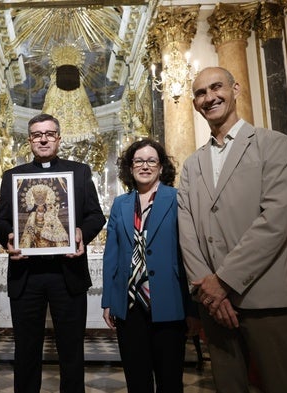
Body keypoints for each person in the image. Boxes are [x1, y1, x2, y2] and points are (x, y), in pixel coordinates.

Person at [178, 66, 287, 393]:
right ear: (194, 104)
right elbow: (187, 231)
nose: (209, 98)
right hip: (213, 303)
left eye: (216, 87)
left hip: (266, 297)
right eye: (200, 93)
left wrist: (223, 280)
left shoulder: (272, 144)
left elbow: (276, 220)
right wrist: (206, 289)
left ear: (236, 89)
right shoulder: (192, 164)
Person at [0, 113, 106, 393]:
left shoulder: (79, 172)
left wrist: (80, 232)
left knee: (71, 350)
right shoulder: (12, 176)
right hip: (26, 274)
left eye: (49, 133)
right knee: (26, 350)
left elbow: (95, 215)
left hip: (66, 274)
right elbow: (1, 219)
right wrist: (8, 236)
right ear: (29, 140)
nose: (43, 139)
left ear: (59, 137)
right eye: (37, 134)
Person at [101, 139, 199, 393]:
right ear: (130, 167)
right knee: (137, 380)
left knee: (170, 380)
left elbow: (189, 254)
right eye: (139, 161)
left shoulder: (177, 199)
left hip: (169, 302)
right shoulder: (120, 203)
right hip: (130, 305)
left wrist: (192, 307)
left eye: (151, 161)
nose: (145, 166)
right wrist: (109, 300)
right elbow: (111, 255)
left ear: (161, 166)